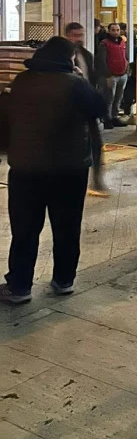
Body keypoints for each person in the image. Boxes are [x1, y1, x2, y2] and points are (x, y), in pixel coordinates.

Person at [0, 37, 106, 303]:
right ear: (68, 59)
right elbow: (99, 108)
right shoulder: (75, 84)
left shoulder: (22, 81)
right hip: (69, 170)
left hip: (26, 169)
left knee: (25, 229)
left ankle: (20, 286)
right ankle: (63, 280)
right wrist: (81, 78)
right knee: (67, 227)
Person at [65, 22, 108, 197]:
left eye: (81, 35)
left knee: (96, 143)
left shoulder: (87, 55)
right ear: (67, 36)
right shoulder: (62, 57)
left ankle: (97, 179)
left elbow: (92, 79)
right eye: (75, 35)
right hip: (69, 109)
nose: (78, 39)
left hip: (86, 106)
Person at [95, 21, 129, 128]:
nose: (116, 32)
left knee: (118, 98)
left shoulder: (122, 42)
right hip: (110, 76)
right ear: (109, 31)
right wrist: (107, 75)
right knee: (109, 98)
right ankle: (107, 119)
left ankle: (114, 117)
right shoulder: (104, 43)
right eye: (113, 30)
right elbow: (101, 60)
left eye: (117, 30)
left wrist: (126, 70)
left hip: (122, 75)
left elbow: (125, 56)